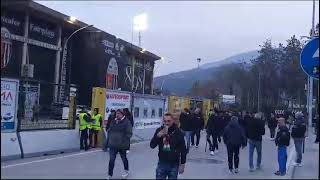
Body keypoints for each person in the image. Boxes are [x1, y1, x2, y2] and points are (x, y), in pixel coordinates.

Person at [150, 113, 187, 179]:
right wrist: (157, 136)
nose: (166, 123)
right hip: (162, 162)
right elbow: (152, 145)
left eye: (169, 121)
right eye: (165, 121)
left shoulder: (178, 132)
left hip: (174, 164)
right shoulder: (159, 130)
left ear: (173, 121)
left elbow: (183, 149)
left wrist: (182, 164)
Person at [106, 109, 132, 179]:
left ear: (122, 114)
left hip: (122, 145)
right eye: (116, 113)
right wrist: (108, 142)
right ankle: (109, 174)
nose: (117, 115)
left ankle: (126, 170)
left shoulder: (127, 122)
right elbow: (110, 131)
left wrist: (123, 140)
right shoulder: (113, 121)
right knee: (111, 159)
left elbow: (129, 133)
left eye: (119, 114)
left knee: (124, 158)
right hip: (113, 145)